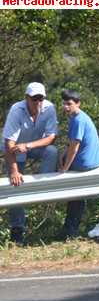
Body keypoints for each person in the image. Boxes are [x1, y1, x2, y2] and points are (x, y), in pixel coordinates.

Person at [2, 82, 59, 245]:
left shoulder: (49, 108)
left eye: (41, 98)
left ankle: (42, 188)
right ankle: (17, 229)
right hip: (14, 149)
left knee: (52, 151)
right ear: (27, 98)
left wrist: (28, 146)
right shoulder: (16, 110)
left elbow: (51, 137)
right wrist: (13, 171)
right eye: (34, 99)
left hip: (32, 146)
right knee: (16, 185)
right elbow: (9, 144)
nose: (38, 102)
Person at [58, 89, 99, 238]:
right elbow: (71, 145)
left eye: (69, 104)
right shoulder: (78, 117)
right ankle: (70, 229)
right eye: (64, 103)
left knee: (75, 197)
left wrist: (64, 168)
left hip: (85, 165)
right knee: (76, 197)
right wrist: (63, 155)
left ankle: (70, 229)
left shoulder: (77, 120)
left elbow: (75, 147)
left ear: (78, 104)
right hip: (90, 162)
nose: (66, 107)